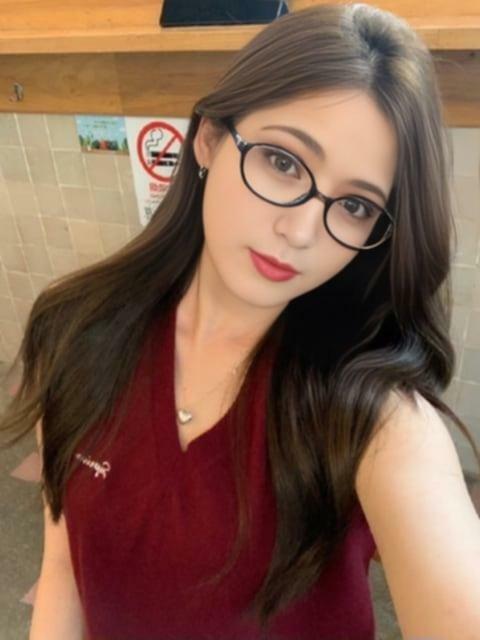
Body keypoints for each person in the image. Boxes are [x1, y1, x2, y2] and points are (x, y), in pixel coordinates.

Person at [1, 3, 480, 639]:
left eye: (356, 205)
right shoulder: (75, 331)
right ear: (208, 139)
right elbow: (65, 567)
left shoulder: (372, 416)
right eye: (282, 161)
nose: (301, 231)